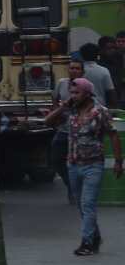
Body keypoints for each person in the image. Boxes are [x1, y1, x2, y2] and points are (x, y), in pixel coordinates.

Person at [44, 77, 122, 256]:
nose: (74, 96)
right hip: (73, 164)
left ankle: (86, 242)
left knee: (88, 204)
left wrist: (118, 161)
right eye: (72, 92)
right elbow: (48, 122)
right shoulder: (69, 111)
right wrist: (63, 106)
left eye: (77, 92)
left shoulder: (99, 111)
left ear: (88, 94)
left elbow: (113, 135)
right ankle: (94, 236)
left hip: (93, 164)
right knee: (80, 204)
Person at [52, 59, 86, 203]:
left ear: (82, 72)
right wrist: (57, 114)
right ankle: (71, 186)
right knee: (55, 158)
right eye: (71, 68)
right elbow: (54, 100)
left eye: (77, 68)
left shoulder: (86, 86)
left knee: (78, 162)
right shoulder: (61, 83)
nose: (74, 71)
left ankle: (80, 190)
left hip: (81, 132)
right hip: (63, 130)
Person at [79, 42, 117, 107]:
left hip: (81, 107)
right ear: (97, 55)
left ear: (81, 55)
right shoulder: (104, 71)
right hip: (99, 107)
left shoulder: (77, 70)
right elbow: (110, 92)